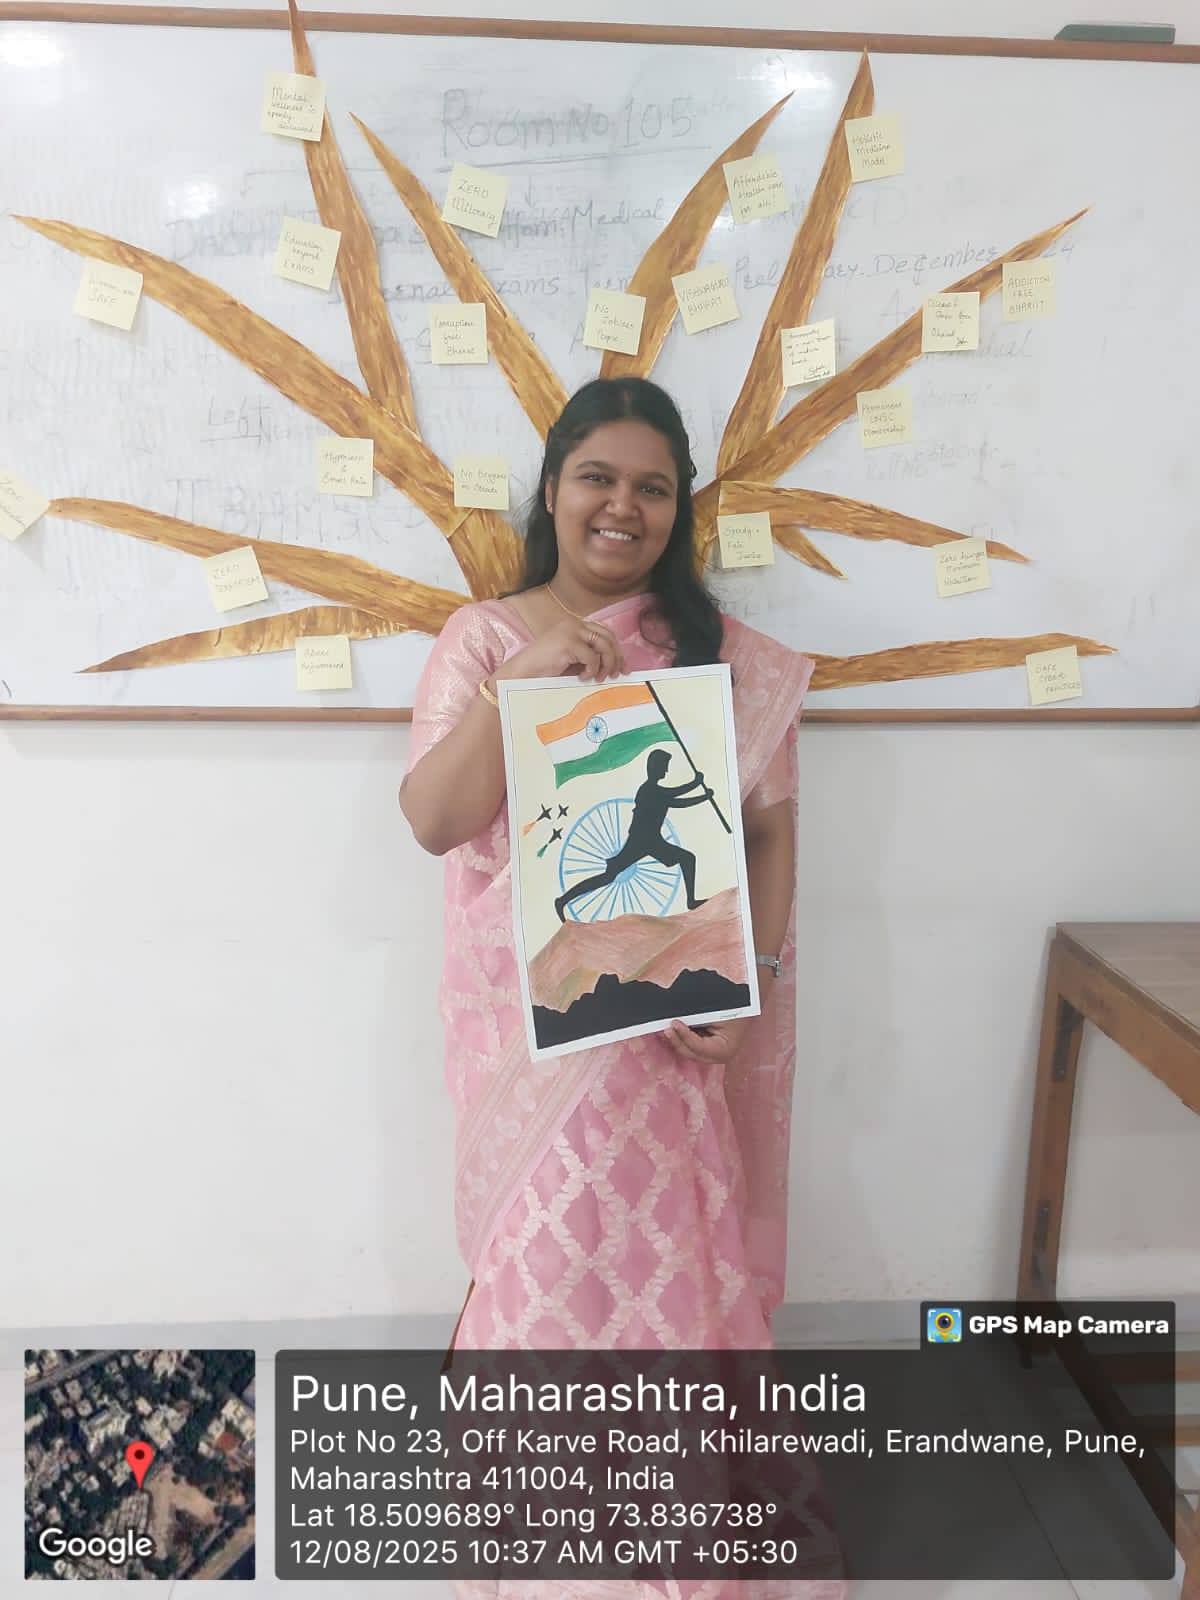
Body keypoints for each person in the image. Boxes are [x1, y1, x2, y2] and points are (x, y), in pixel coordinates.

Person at [401, 378, 844, 1599]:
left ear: (677, 509)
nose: (622, 506)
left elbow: (768, 830)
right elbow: (435, 819)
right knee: (543, 1270)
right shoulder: (484, 638)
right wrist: (524, 682)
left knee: (670, 1280)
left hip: (668, 1040)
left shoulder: (719, 656)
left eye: (654, 487)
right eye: (599, 477)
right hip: (528, 1051)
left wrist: (747, 983)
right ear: (554, 487)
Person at [554, 748, 711, 922]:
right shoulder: (649, 790)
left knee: (687, 858)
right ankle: (562, 901)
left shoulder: (654, 790)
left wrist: (701, 792)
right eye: (664, 766)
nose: (666, 770)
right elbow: (674, 797)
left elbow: (675, 799)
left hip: (651, 841)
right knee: (608, 876)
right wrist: (697, 786)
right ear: (656, 767)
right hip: (641, 841)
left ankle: (691, 901)